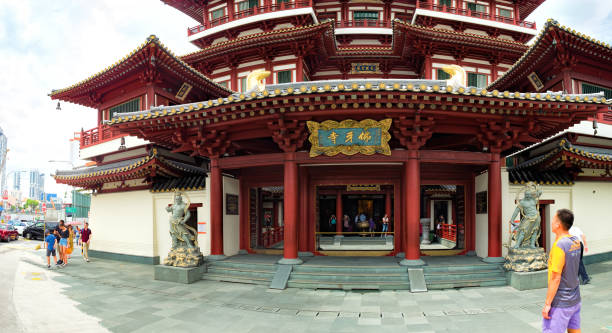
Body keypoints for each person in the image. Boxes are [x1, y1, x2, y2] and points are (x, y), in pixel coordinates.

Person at [542, 209, 582, 333]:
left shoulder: (560, 245)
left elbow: (555, 277)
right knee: (574, 330)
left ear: (558, 224)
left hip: (561, 302)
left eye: (553, 219)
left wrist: (548, 303)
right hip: (575, 299)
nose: (551, 222)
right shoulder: (575, 241)